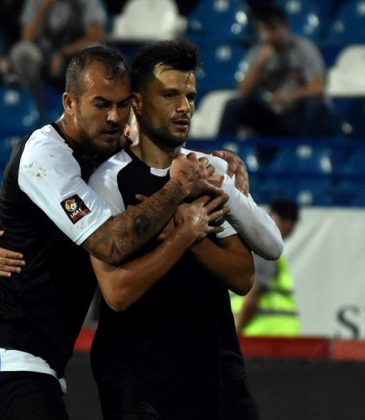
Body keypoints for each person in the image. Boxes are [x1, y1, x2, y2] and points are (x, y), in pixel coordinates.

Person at [0, 44, 231, 420]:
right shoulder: (45, 156)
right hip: (10, 359)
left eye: (122, 105)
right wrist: (178, 191)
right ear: (69, 103)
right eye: (102, 104)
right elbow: (111, 243)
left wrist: (223, 161)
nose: (115, 117)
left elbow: (160, 149)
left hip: (40, 361)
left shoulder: (106, 144)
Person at [88, 39, 266, 419]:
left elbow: (243, 275)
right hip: (137, 375)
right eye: (169, 94)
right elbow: (116, 293)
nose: (184, 107)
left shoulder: (207, 172)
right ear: (137, 101)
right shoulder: (108, 180)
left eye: (190, 95)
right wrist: (184, 234)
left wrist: (192, 238)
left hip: (214, 366)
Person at [218, 4, 335, 138]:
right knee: (233, 106)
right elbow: (243, 91)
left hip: (297, 110)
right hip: (269, 113)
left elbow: (318, 87)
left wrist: (289, 97)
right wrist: (261, 62)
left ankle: (304, 150)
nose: (269, 34)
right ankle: (221, 152)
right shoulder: (258, 51)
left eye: (273, 29)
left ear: (285, 27)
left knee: (315, 104)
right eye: (264, 29)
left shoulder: (304, 48)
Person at [8, 0, 107, 116]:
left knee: (95, 51)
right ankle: (36, 106)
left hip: (73, 55)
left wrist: (62, 53)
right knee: (21, 52)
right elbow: (27, 37)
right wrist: (45, 5)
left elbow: (96, 36)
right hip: (44, 56)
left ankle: (88, 109)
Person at [233, 199, 301, 337]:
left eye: (291, 221)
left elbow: (254, 296)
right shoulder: (266, 251)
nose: (289, 225)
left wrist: (237, 332)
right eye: (284, 219)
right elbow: (254, 295)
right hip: (271, 336)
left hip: (263, 335)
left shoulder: (266, 251)